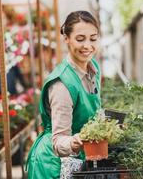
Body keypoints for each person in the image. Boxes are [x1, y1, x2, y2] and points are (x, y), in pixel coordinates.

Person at [26, 11, 101, 179]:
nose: (87, 45)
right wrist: (76, 141)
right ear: (66, 38)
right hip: (54, 164)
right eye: (80, 39)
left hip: (80, 157)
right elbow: (59, 142)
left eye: (93, 38)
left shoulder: (93, 67)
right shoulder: (62, 84)